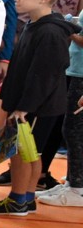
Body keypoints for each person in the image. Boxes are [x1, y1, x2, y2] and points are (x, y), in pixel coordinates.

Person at [0, 0, 75, 216]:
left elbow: (44, 76)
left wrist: (24, 107)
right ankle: (26, 197)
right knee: (30, 152)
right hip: (30, 104)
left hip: (35, 107)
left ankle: (18, 199)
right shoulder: (35, 26)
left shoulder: (49, 32)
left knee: (22, 154)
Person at [13, 0, 83, 189]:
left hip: (63, 48)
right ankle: (24, 186)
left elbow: (78, 15)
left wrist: (67, 30)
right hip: (33, 41)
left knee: (46, 128)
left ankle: (29, 187)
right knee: (27, 140)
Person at [38, 15, 83, 207]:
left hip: (81, 76)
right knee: (71, 130)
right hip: (76, 72)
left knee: (74, 131)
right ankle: (72, 182)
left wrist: (69, 29)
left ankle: (77, 188)